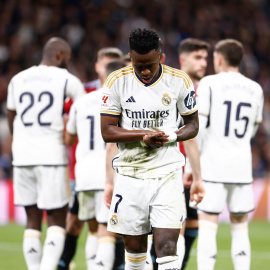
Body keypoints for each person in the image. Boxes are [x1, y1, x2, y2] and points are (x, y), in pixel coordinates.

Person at [100, 28, 204, 270]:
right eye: (139, 65)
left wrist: (172, 136)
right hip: (130, 174)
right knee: (134, 250)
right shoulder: (116, 81)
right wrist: (142, 135)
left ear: (161, 56)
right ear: (131, 57)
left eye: (150, 65)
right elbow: (107, 131)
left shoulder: (179, 81)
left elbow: (193, 125)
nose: (145, 71)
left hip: (167, 172)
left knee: (167, 248)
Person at [6, 37, 85, 270]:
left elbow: (12, 117)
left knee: (32, 218)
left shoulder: (17, 79)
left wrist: (24, 139)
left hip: (22, 156)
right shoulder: (67, 79)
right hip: (51, 155)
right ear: (60, 55)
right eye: (67, 59)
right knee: (56, 217)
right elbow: (82, 113)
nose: (68, 63)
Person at [196, 39, 264, 270]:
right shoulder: (255, 88)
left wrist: (192, 166)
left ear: (220, 59)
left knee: (208, 222)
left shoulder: (209, 83)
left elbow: (200, 127)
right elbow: (253, 130)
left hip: (213, 164)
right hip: (242, 166)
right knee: (240, 224)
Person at [59, 47, 124, 270]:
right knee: (108, 230)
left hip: (84, 175)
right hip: (109, 174)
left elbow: (68, 138)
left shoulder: (82, 102)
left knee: (94, 230)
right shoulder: (121, 102)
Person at [177, 38, 210, 269]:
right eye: (198, 57)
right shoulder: (173, 87)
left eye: (205, 58)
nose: (203, 63)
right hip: (174, 167)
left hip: (195, 168)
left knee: (192, 224)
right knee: (172, 228)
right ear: (183, 60)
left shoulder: (205, 90)